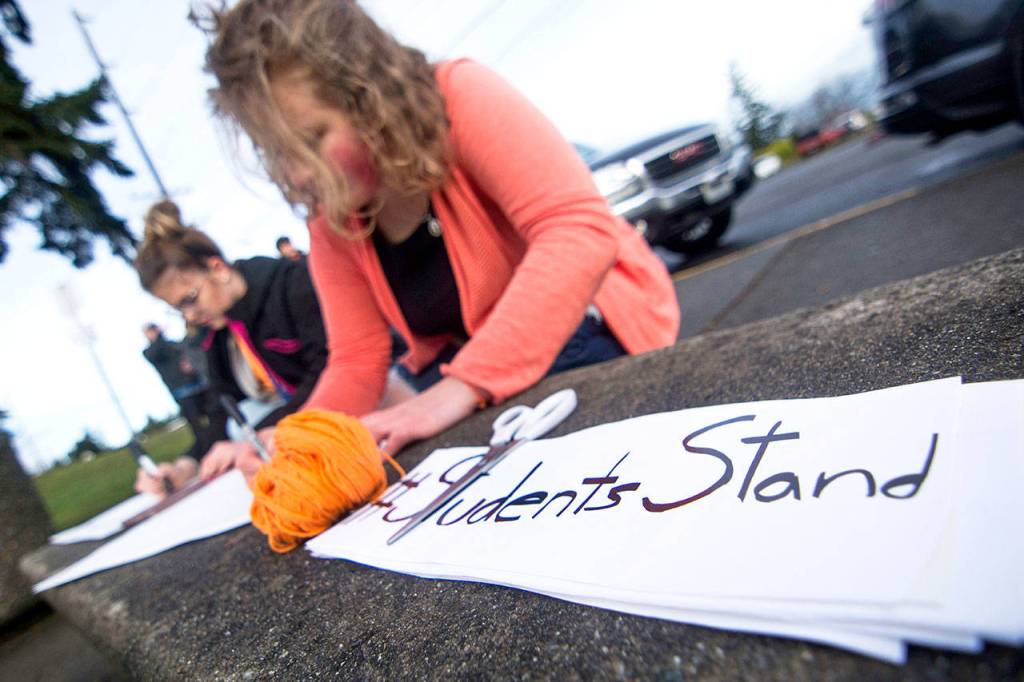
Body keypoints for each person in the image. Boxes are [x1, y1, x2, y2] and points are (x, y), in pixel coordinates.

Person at [202, 0, 680, 463]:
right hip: (463, 372)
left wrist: (463, 387)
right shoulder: (332, 210)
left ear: (367, 95)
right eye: (278, 153)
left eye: (312, 139)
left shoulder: (458, 95)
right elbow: (356, 358)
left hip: (578, 331)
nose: (300, 174)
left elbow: (575, 230)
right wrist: (299, 446)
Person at [133, 200, 331, 494]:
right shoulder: (215, 335)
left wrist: (254, 438)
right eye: (178, 310)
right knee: (238, 423)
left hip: (339, 406)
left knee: (244, 428)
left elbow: (328, 369)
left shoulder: (288, 283)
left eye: (190, 299)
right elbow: (220, 409)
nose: (190, 316)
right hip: (293, 428)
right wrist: (186, 466)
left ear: (216, 267)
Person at [141, 323, 216, 461]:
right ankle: (206, 452)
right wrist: (159, 336)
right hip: (183, 393)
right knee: (197, 427)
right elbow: (158, 351)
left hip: (198, 387)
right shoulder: (150, 351)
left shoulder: (173, 344)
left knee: (215, 417)